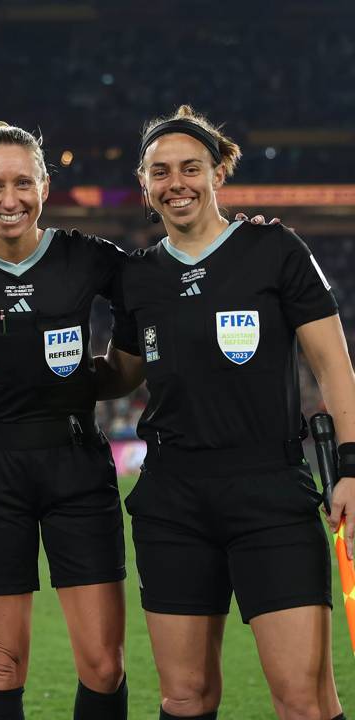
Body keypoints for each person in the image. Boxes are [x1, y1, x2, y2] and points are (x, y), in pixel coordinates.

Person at [108, 104, 355, 720]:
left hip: (269, 493)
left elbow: (334, 368)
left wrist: (350, 466)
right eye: (160, 172)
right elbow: (119, 375)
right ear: (145, 186)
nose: (176, 183)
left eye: (190, 168)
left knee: (303, 700)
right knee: (184, 698)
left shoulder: (274, 248)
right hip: (172, 501)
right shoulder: (137, 278)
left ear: (218, 172)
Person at [0, 120, 142, 720]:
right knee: (0, 664)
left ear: (45, 184)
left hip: (77, 468)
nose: (8, 199)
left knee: (103, 665)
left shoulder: (87, 258)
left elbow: (156, 300)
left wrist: (108, 375)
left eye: (22, 182)